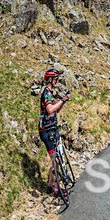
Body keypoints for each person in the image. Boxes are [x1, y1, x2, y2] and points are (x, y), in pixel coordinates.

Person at [38, 68, 71, 196]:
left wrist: (63, 101)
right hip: (46, 131)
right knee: (56, 160)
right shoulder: (46, 93)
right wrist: (61, 101)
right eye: (56, 79)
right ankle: (57, 190)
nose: (57, 81)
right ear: (50, 80)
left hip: (52, 128)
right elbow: (50, 109)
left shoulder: (51, 93)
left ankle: (50, 186)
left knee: (55, 159)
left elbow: (56, 110)